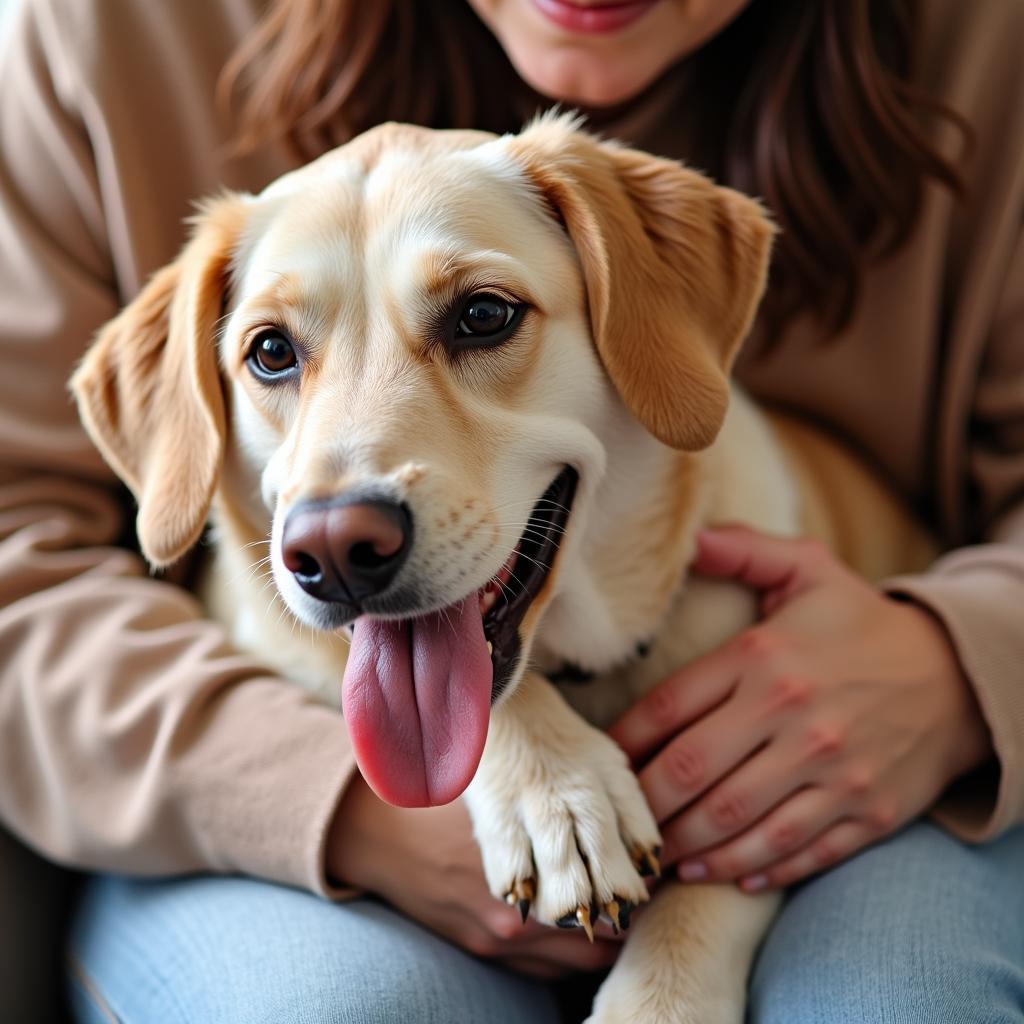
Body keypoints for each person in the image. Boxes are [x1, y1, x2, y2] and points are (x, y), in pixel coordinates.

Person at [0, 0, 1021, 1021]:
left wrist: (952, 661)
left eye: (480, 318)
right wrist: (352, 803)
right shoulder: (93, 32)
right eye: (274, 352)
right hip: (233, 786)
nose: (340, 513)